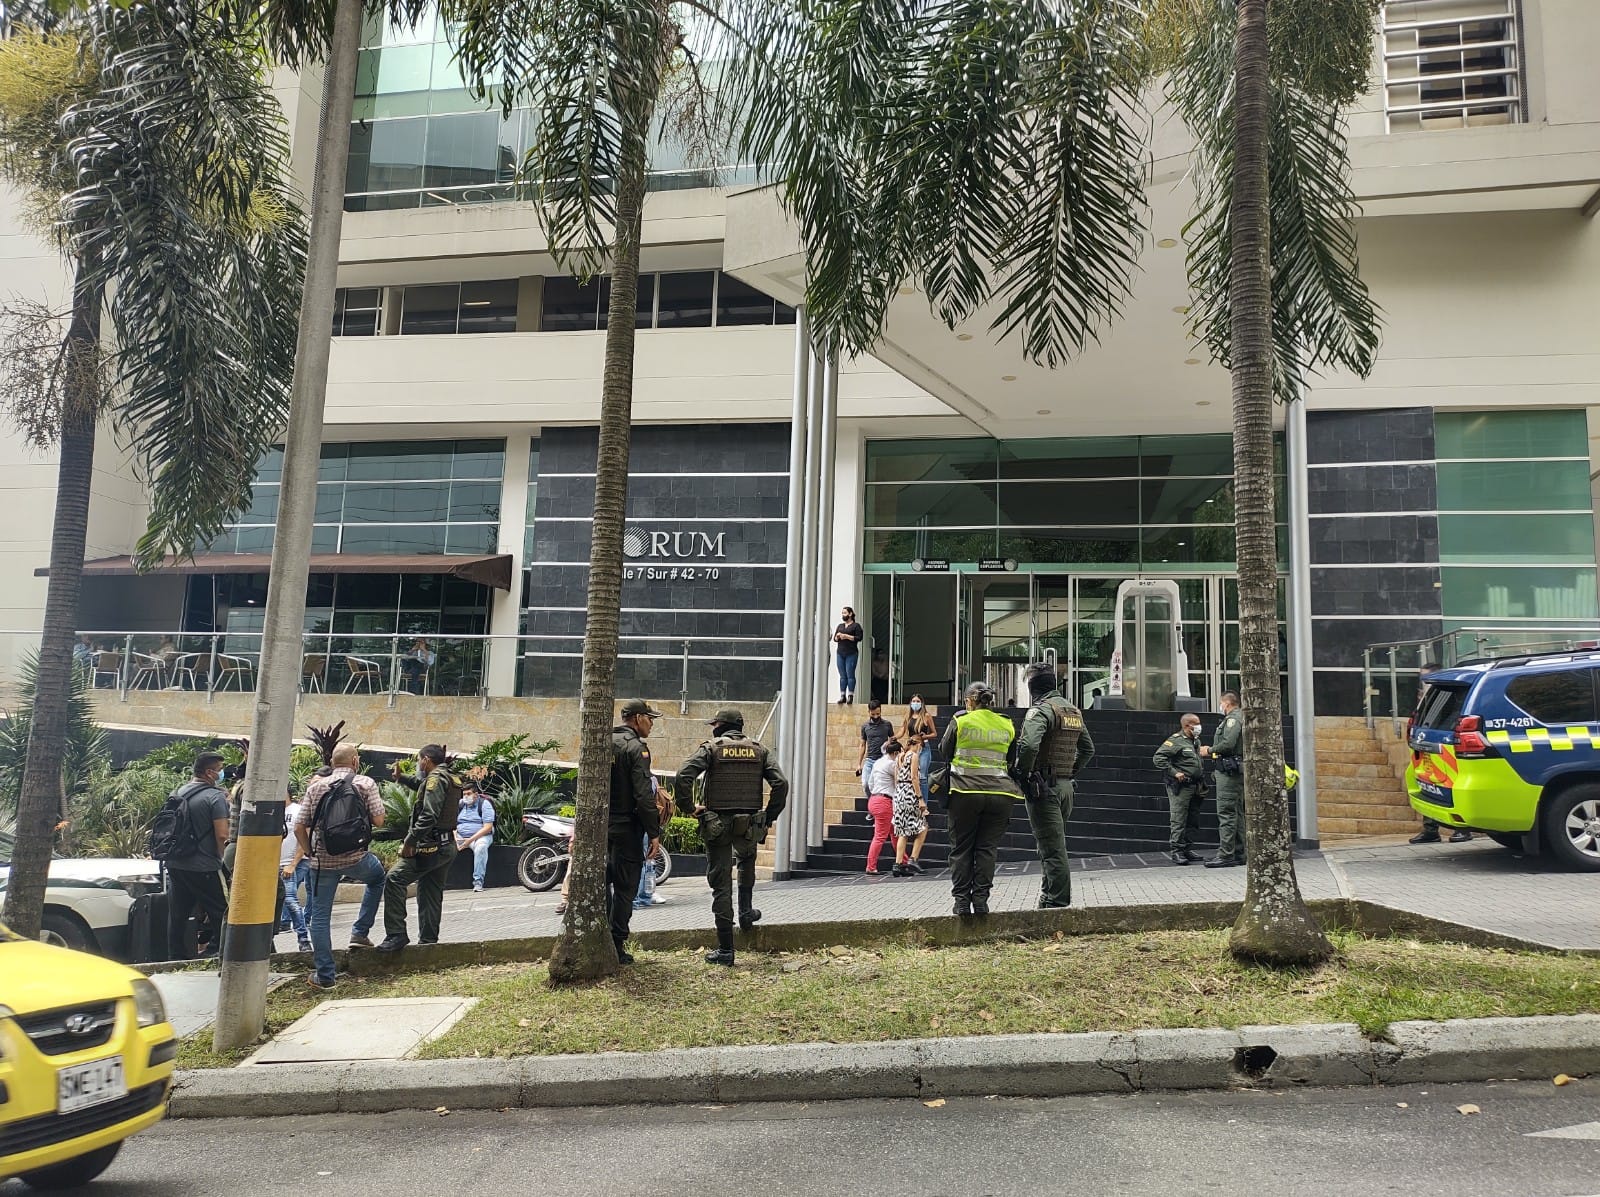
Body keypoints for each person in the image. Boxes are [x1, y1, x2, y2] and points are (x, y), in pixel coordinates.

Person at [675, 708, 789, 967]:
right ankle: (747, 914)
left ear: (721, 726)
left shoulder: (712, 748)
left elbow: (684, 775)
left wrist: (689, 808)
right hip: (748, 823)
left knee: (721, 882)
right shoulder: (760, 749)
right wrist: (769, 816)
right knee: (747, 863)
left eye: (714, 724)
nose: (712, 728)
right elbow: (781, 783)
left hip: (717, 823)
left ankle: (726, 949)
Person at [296, 743, 387, 988]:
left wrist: (309, 851)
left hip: (322, 862)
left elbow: (298, 826)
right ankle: (360, 931)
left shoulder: (315, 788)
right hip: (356, 858)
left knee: (320, 916)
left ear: (333, 762)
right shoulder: (365, 784)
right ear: (355, 761)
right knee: (378, 879)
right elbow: (379, 820)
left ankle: (325, 977)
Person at [1016, 663, 1095, 908]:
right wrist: (1070, 771)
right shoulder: (1072, 711)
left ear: (1031, 687)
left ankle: (1056, 901)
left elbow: (1029, 746)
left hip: (1044, 788)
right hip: (1065, 787)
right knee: (1051, 844)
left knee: (1052, 848)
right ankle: (1047, 895)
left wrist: (1023, 772)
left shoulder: (1040, 711)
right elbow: (1088, 749)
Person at [939, 681, 1021, 917]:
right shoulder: (1007, 724)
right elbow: (1010, 758)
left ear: (969, 701)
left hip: (965, 792)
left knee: (962, 849)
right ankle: (982, 902)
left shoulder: (961, 720)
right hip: (1001, 794)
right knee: (987, 849)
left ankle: (962, 903)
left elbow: (945, 751)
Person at [377, 743, 460, 952]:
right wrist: (401, 778)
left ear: (426, 760)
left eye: (419, 761)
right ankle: (428, 945)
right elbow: (423, 787)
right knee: (430, 892)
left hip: (430, 847)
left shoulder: (435, 779)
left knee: (394, 879)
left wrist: (410, 841)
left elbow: (429, 815)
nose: (418, 765)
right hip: (446, 845)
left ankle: (396, 934)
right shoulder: (449, 778)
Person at [606, 699, 663, 964]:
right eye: (650, 718)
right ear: (637, 718)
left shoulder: (602, 741)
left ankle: (602, 938)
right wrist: (654, 831)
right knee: (626, 888)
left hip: (600, 828)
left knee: (601, 885)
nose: (651, 723)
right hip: (627, 828)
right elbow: (643, 795)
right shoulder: (635, 748)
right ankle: (616, 944)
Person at [164, 753, 232, 961]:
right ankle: (221, 953)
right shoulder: (215, 797)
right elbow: (222, 834)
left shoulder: (178, 792)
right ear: (210, 773)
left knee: (178, 913)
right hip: (204, 866)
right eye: (219, 768)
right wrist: (223, 862)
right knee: (221, 909)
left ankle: (176, 957)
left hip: (176, 863)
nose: (222, 773)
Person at [1154, 714, 1208, 866]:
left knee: (1193, 819)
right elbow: (1158, 758)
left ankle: (1187, 849)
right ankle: (1177, 851)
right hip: (1181, 787)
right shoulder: (1175, 740)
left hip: (1196, 786)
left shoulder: (1196, 741)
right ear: (1186, 726)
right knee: (1179, 818)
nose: (1199, 727)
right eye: (1196, 724)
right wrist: (1174, 773)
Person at [1201, 692, 1246, 867]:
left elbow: (1228, 744)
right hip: (1232, 771)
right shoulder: (1237, 718)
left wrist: (1209, 750)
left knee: (1226, 812)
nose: (1220, 706)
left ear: (1226, 703)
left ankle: (1226, 854)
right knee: (1237, 813)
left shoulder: (1233, 720)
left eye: (1221, 703)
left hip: (1229, 773)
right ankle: (1239, 852)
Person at [278, 786, 312, 952]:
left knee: (290, 899)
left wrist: (293, 863)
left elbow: (302, 837)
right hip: (275, 864)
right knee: (283, 899)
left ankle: (303, 938)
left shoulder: (298, 811)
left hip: (290, 863)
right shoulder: (272, 813)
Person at [891, 735, 930, 877]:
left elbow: (896, 777)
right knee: (923, 827)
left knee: (903, 831)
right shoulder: (913, 756)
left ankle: (898, 864)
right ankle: (913, 859)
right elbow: (914, 777)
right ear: (918, 744)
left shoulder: (900, 756)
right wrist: (920, 798)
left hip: (899, 794)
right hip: (909, 792)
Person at [865, 738, 901, 875]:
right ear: (896, 753)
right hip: (885, 802)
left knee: (894, 833)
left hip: (874, 799)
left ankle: (902, 861)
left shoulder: (878, 762)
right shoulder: (892, 765)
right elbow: (900, 779)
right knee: (880, 836)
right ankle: (871, 866)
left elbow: (870, 783)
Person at [455, 779, 496, 892]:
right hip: (460, 837)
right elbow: (452, 824)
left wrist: (469, 841)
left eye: (469, 794)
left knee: (481, 847)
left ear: (476, 795)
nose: (466, 796)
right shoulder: (460, 804)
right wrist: (455, 837)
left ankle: (478, 882)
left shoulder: (484, 804)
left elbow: (487, 827)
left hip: (480, 837)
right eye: (464, 794)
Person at [902, 695, 937, 803]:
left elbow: (934, 733)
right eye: (913, 701)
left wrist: (925, 736)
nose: (915, 703)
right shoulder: (908, 716)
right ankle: (914, 800)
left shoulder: (926, 716)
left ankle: (924, 803)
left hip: (923, 747)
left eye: (918, 701)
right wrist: (894, 737)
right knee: (912, 775)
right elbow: (902, 731)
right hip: (911, 747)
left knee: (922, 777)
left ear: (922, 703)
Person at [854, 700, 893, 798]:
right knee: (866, 784)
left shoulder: (887, 724)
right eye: (873, 714)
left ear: (880, 711)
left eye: (878, 714)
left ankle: (876, 808)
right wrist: (859, 764)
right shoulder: (865, 726)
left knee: (881, 787)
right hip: (870, 759)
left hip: (883, 760)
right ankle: (873, 806)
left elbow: (893, 740)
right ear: (869, 712)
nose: (876, 716)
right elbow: (862, 744)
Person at [832, 606, 864, 704]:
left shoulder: (856, 626)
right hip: (840, 652)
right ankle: (842, 695)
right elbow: (835, 639)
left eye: (845, 613)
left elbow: (859, 638)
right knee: (842, 675)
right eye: (842, 613)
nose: (843, 615)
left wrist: (846, 636)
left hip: (851, 653)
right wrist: (838, 637)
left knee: (850, 674)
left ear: (850, 614)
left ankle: (850, 695)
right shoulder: (840, 626)